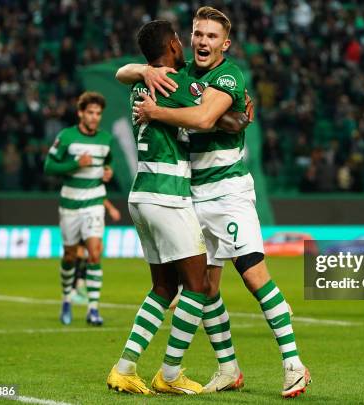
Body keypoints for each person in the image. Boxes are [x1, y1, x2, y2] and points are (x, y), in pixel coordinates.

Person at [132, 7, 311, 398]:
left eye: (211, 37)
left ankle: (294, 364)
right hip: (194, 195)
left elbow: (202, 118)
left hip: (228, 194)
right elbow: (127, 71)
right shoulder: (184, 75)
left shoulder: (229, 75)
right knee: (206, 288)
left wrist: (154, 110)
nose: (202, 41)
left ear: (224, 44)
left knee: (253, 274)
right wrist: (144, 70)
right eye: (198, 34)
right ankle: (228, 368)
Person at [107, 20, 249, 396]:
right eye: (182, 41)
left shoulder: (143, 81)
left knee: (164, 287)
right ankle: (169, 373)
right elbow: (225, 120)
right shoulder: (177, 84)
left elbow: (122, 72)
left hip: (142, 194)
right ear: (173, 44)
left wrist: (142, 69)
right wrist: (242, 113)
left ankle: (124, 368)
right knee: (200, 286)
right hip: (167, 195)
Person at [44, 91, 114, 325]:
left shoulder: (106, 139)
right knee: (70, 255)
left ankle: (93, 309)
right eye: (90, 113)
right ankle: (66, 298)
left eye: (98, 114)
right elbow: (49, 166)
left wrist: (108, 172)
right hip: (70, 204)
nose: (95, 117)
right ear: (80, 113)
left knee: (94, 254)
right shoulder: (66, 136)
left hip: (94, 202)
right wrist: (75, 163)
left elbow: (108, 162)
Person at [72, 200, 121, 305]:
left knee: (93, 252)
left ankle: (78, 283)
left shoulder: (96, 189)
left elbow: (100, 196)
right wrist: (111, 209)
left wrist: (111, 209)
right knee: (82, 252)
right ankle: (75, 287)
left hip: (92, 218)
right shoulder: (88, 187)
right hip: (83, 217)